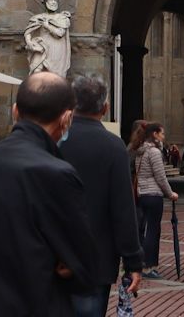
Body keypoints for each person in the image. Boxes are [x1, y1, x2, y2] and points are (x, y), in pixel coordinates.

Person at [0, 72, 102, 317]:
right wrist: (71, 267)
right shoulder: (57, 173)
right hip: (37, 304)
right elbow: (83, 263)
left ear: (15, 112)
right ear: (66, 118)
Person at [62, 76, 143, 316]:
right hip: (96, 258)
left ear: (71, 105)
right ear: (105, 108)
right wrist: (132, 262)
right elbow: (123, 210)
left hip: (54, 254)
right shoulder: (113, 146)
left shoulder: (53, 141)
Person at [128, 119, 177, 281]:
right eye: (162, 133)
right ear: (155, 134)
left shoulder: (140, 150)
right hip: (153, 194)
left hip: (142, 193)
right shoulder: (154, 152)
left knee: (147, 230)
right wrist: (170, 193)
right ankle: (149, 266)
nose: (164, 136)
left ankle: (143, 263)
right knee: (153, 232)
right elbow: (160, 177)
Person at [22, 0, 73, 77]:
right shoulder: (38, 18)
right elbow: (28, 32)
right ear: (45, 2)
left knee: (55, 75)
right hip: (41, 46)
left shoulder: (62, 18)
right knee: (36, 69)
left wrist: (47, 26)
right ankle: (36, 89)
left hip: (56, 48)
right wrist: (29, 42)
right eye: (51, 0)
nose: (53, 3)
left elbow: (60, 33)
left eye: (55, 1)